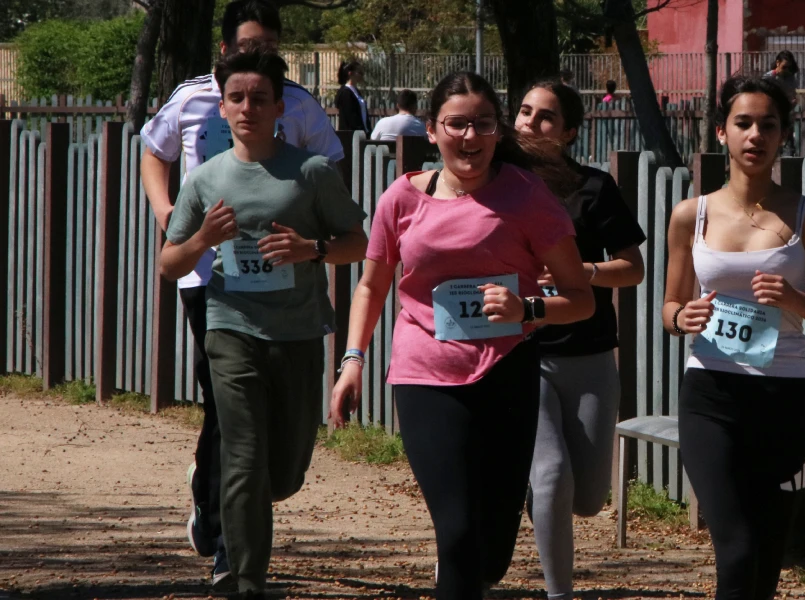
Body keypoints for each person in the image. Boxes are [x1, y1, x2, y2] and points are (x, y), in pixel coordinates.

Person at [330, 71, 596, 600]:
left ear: (498, 132)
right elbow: (372, 285)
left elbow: (581, 298)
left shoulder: (528, 197)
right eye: (456, 125)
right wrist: (353, 360)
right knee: (455, 534)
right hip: (424, 373)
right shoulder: (402, 198)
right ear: (432, 130)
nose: (469, 137)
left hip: (507, 375)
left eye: (482, 124)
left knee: (491, 550)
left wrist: (529, 309)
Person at [138, 0, 344, 587]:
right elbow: (154, 150)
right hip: (211, 279)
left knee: (263, 432)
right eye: (249, 46)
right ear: (224, 49)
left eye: (270, 48)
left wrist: (311, 238)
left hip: (287, 287)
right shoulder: (191, 97)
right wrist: (168, 211)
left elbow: (330, 167)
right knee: (228, 409)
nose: (259, 58)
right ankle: (232, 548)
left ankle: (213, 497)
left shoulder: (296, 103)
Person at [661, 74, 805, 599]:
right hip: (711, 396)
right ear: (720, 132)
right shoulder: (690, 215)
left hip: (784, 399)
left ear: (783, 136)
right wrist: (683, 319)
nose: (755, 135)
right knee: (737, 545)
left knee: (767, 557)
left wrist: (796, 300)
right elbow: (669, 307)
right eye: (742, 123)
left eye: (768, 125)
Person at [514, 78, 646, 600]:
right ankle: (559, 593)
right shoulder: (496, 185)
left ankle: (527, 491)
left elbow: (632, 269)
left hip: (589, 355)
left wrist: (582, 273)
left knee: (587, 497)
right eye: (524, 111)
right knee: (550, 472)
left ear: (568, 131)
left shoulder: (593, 188)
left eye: (545, 116)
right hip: (523, 354)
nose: (529, 123)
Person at [764, 50, 799, 156]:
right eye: (784, 67)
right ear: (777, 63)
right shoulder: (768, 78)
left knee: (788, 143)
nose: (786, 70)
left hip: (786, 114)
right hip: (772, 114)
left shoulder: (790, 78)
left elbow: (792, 94)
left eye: (789, 67)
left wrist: (792, 102)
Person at [334, 59, 369, 132]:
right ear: (350, 73)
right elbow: (351, 117)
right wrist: (360, 130)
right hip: (351, 135)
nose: (362, 75)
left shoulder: (356, 91)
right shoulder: (345, 93)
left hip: (362, 133)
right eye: (359, 72)